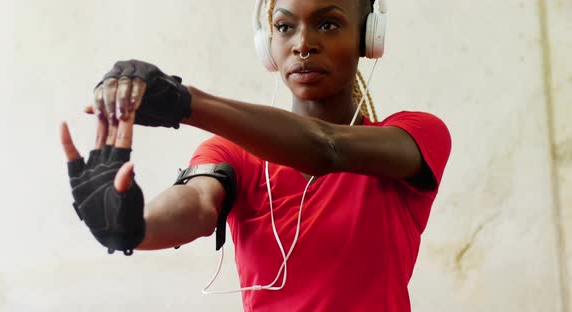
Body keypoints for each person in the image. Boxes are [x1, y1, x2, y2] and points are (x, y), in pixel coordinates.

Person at [60, 0, 451, 311]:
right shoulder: (234, 152)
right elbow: (197, 204)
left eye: (328, 24)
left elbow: (325, 148)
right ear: (268, 44)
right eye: (284, 27)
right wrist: (136, 227)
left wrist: (184, 102)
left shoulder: (415, 135)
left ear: (369, 38)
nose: (302, 44)